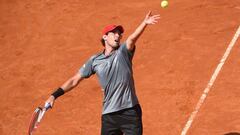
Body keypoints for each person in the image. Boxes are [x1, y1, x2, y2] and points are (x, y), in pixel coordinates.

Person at [45, 11, 160, 135]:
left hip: (130, 112)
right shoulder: (95, 61)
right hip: (109, 116)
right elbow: (74, 80)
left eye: (119, 34)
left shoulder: (123, 52)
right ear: (105, 37)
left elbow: (132, 39)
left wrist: (144, 23)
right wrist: (53, 96)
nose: (118, 36)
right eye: (114, 33)